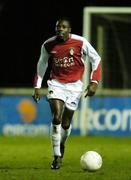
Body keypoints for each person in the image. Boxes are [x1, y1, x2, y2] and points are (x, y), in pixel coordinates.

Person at [33, 17, 101, 170]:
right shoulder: (48, 44)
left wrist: (94, 82)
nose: (60, 29)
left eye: (63, 27)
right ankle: (57, 156)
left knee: (66, 123)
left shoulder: (80, 42)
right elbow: (42, 63)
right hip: (55, 84)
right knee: (56, 116)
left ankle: (61, 143)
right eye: (58, 27)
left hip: (75, 86)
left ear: (69, 30)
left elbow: (96, 59)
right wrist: (37, 86)